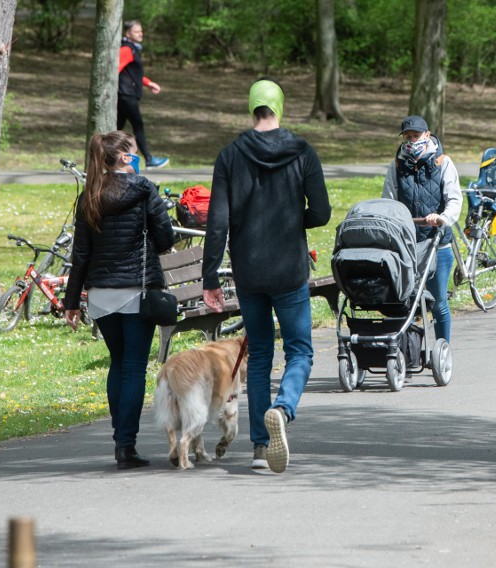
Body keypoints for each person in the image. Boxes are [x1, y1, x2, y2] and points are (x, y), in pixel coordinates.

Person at [202, 78, 331, 474]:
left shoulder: (229, 156)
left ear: (251, 107)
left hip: (249, 271)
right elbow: (322, 212)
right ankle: (284, 407)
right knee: (300, 351)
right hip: (289, 270)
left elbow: (218, 222)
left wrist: (210, 278)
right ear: (280, 107)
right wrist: (296, 221)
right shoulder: (302, 151)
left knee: (258, 356)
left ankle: (259, 448)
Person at [64, 131, 175, 470]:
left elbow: (80, 254)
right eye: (135, 152)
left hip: (100, 294)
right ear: (125, 157)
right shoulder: (144, 191)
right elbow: (166, 239)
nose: (138, 156)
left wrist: (71, 301)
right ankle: (125, 445)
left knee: (118, 363)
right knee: (133, 368)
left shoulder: (90, 196)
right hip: (136, 292)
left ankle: (120, 439)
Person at [382, 115, 463, 343]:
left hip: (438, 243)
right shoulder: (397, 164)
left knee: (438, 302)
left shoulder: (442, 162)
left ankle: (442, 348)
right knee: (406, 301)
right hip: (407, 244)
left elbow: (454, 199)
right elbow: (389, 200)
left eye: (415, 136)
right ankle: (408, 349)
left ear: (427, 135)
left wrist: (442, 218)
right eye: (407, 136)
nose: (411, 140)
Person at [117, 20, 169, 170]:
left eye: (141, 31)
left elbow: (132, 74)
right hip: (126, 95)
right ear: (128, 33)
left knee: (116, 129)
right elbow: (115, 69)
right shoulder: (126, 49)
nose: (141, 34)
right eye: (136, 31)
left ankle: (104, 156)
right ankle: (149, 159)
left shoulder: (133, 49)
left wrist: (148, 83)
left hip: (127, 95)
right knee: (137, 125)